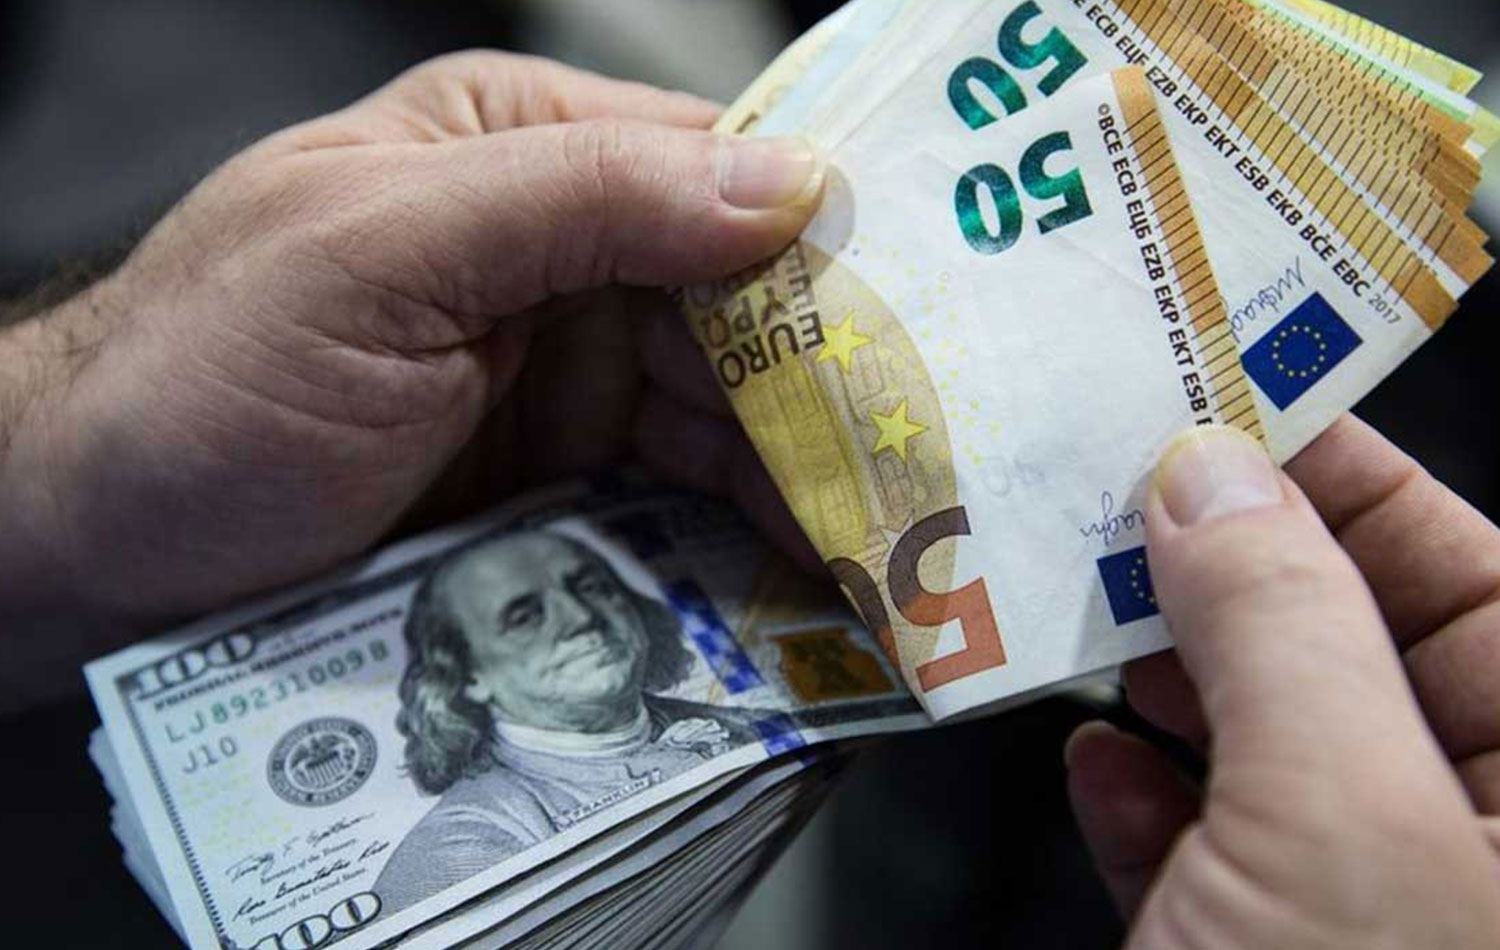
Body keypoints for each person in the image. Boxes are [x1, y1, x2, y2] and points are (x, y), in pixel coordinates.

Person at [0, 51, 1494, 946]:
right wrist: (51, 452)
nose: (584, 606)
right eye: (524, 613)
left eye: (575, 581)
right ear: (456, 682)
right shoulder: (456, 859)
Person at [375, 528, 770, 911]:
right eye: (524, 617)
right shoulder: (457, 848)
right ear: (469, 676)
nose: (580, 617)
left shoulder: (755, 727)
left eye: (591, 588)